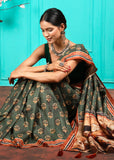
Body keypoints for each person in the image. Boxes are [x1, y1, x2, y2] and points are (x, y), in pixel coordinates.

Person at [0, 8, 114, 154]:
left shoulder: (77, 50)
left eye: (50, 30)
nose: (45, 35)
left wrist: (25, 72)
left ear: (62, 27)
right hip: (54, 96)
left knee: (39, 81)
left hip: (76, 99)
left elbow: (57, 77)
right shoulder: (44, 49)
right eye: (42, 30)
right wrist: (48, 66)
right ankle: (29, 125)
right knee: (35, 81)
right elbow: (19, 69)